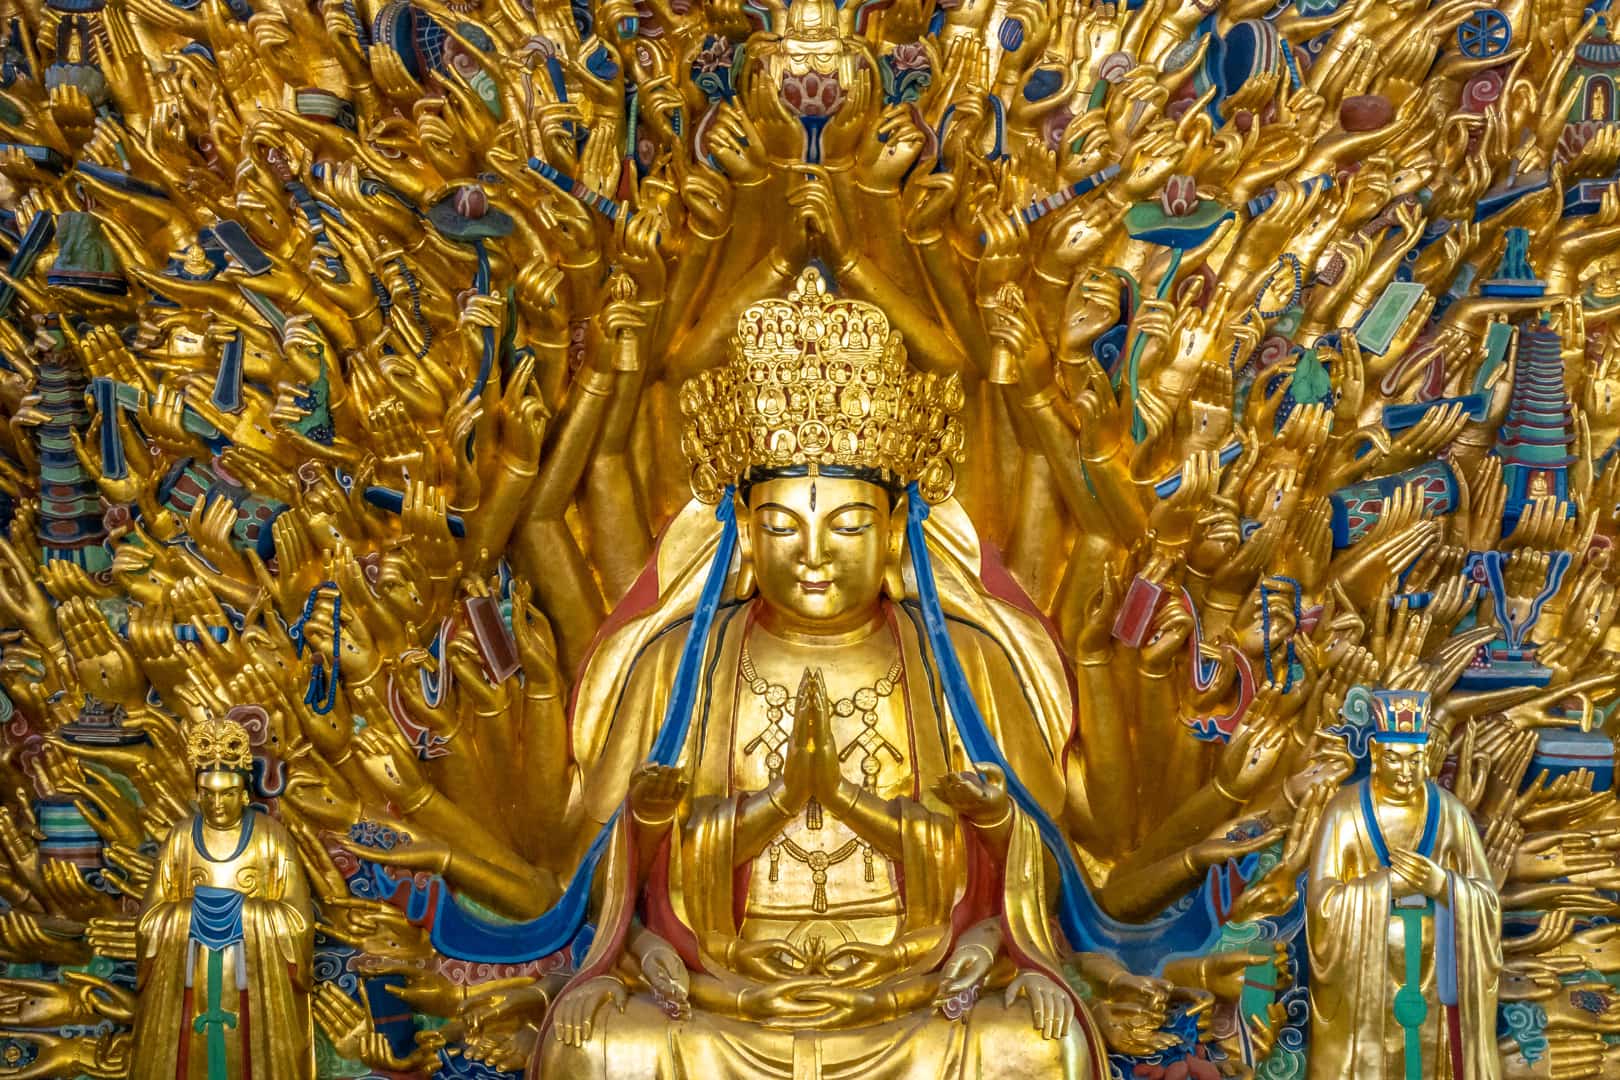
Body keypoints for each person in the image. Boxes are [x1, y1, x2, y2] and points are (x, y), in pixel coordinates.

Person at [532, 268, 1107, 1079]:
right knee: (592, 1053)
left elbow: (1046, 855)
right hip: (723, 998)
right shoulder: (676, 667)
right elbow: (592, 868)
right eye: (780, 526)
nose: (813, 555)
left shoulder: (963, 662)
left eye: (847, 525)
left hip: (913, 994)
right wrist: (649, 827)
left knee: (1044, 1049)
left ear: (896, 527)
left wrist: (995, 828)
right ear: (741, 527)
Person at [1306, 690, 1502, 1080]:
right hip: (1367, 980)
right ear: (1375, 754)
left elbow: (1488, 900)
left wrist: (1443, 885)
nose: (1405, 772)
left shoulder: (1450, 813)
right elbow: (1321, 901)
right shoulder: (1344, 812)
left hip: (1438, 978)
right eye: (1394, 759)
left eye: (1415, 760)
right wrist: (1384, 887)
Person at [131, 712, 315, 1078]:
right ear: (197, 793)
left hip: (254, 981)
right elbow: (149, 921)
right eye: (208, 794)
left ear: (244, 793)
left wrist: (241, 913)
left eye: (227, 794)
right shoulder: (180, 838)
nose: (217, 804)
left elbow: (298, 922)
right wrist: (191, 914)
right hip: (190, 976)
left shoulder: (270, 837)